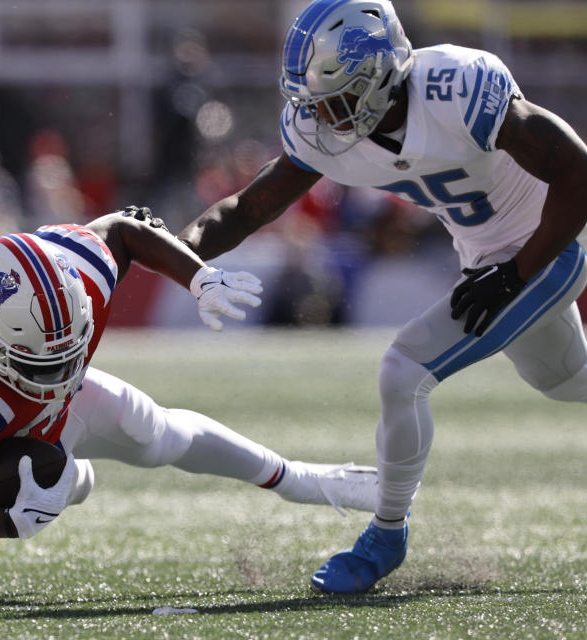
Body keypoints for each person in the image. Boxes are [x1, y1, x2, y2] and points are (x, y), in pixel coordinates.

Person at [177, 0, 587, 594]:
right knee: (565, 379)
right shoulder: (324, 128)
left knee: (403, 369)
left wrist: (518, 271)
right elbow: (248, 208)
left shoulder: (456, 85)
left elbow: (577, 172)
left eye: (336, 99)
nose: (320, 116)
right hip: (486, 260)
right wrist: (171, 252)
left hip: (544, 248)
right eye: (312, 101)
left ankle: (385, 535)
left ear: (382, 75)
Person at [0, 206, 378, 544]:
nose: (59, 373)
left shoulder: (81, 268)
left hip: (54, 414)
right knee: (52, 474)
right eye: (38, 362)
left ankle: (300, 480)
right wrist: (3, 523)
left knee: (154, 433)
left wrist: (199, 278)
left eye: (69, 351)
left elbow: (125, 229)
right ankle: (68, 477)